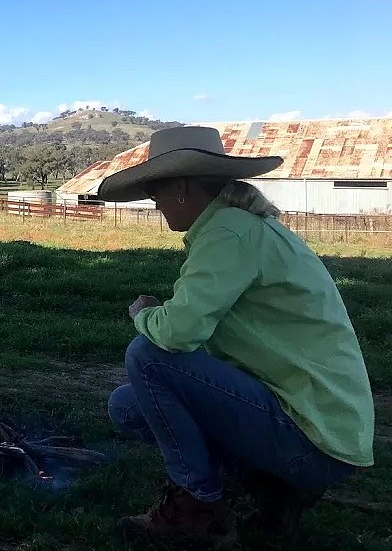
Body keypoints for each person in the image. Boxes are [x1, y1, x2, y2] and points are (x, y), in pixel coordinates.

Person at [97, 126, 374, 548]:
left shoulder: (228, 233)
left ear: (183, 189)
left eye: (157, 197)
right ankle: (264, 481)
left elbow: (177, 334)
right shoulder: (235, 226)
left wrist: (144, 314)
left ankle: (199, 507)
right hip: (313, 422)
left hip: (311, 436)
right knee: (128, 406)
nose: (157, 207)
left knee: (147, 357)